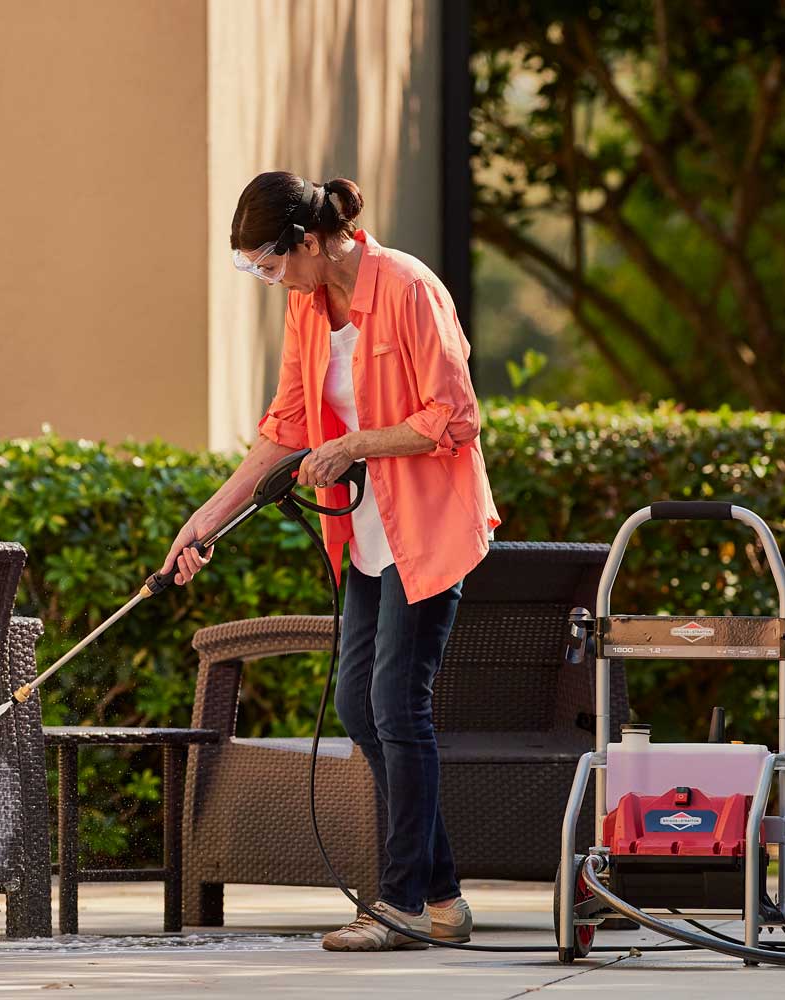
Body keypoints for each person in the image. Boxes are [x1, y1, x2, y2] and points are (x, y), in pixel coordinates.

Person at [161, 171, 500, 951]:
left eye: (270, 265)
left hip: (430, 528)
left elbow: (454, 418)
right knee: (358, 705)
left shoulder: (411, 289)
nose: (269, 280)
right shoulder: (309, 308)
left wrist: (351, 444)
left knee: (397, 707)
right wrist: (204, 521)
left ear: (310, 242)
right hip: (368, 537)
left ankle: (403, 903)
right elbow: (284, 427)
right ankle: (444, 898)